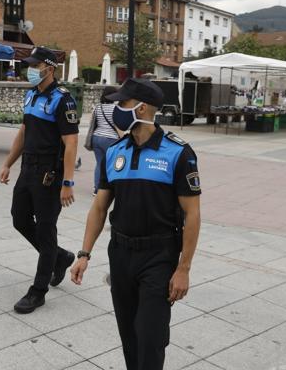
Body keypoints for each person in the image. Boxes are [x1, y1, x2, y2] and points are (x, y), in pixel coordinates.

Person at [70, 78, 202, 370]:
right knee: (129, 333)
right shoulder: (116, 151)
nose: (115, 107)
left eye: (122, 103)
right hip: (120, 253)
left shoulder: (178, 153)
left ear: (140, 108)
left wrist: (183, 269)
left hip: (159, 255)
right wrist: (84, 254)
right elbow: (100, 206)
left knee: (150, 335)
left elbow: (193, 214)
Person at [0, 47, 79, 314]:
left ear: (49, 68)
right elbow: (24, 131)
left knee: (46, 230)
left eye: (35, 66)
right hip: (27, 168)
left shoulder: (62, 99)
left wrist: (67, 182)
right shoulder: (31, 94)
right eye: (29, 65)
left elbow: (71, 143)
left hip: (49, 174)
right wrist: (8, 163)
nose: (30, 70)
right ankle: (60, 257)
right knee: (19, 219)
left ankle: (38, 291)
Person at [91, 86, 120, 195]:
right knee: (112, 164)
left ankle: (97, 189)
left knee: (99, 163)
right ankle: (110, 188)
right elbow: (118, 126)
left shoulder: (98, 107)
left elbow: (93, 122)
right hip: (111, 139)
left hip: (96, 137)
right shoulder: (115, 108)